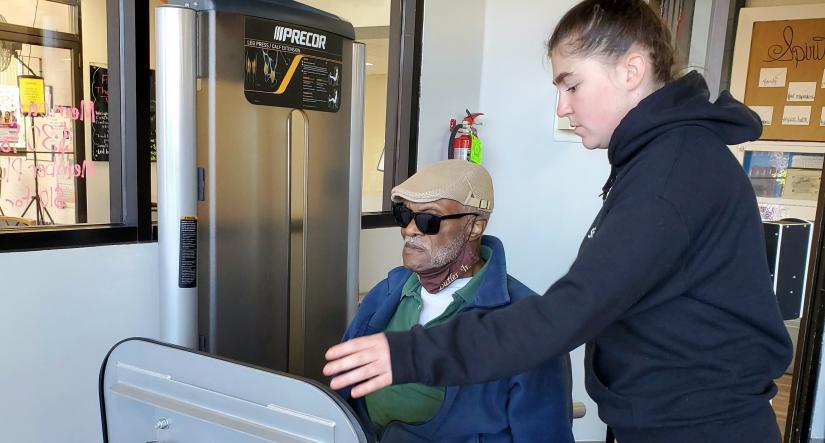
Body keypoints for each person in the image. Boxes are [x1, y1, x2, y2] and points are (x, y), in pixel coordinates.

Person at [324, 0, 793, 441]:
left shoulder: (672, 173)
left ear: (631, 70)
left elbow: (570, 311)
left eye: (572, 85)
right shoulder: (657, 162)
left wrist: (410, 351)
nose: (563, 107)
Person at [341, 159, 574, 442]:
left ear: (474, 227)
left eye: (429, 219)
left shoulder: (526, 323)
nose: (409, 230)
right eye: (404, 215)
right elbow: (343, 386)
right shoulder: (387, 293)